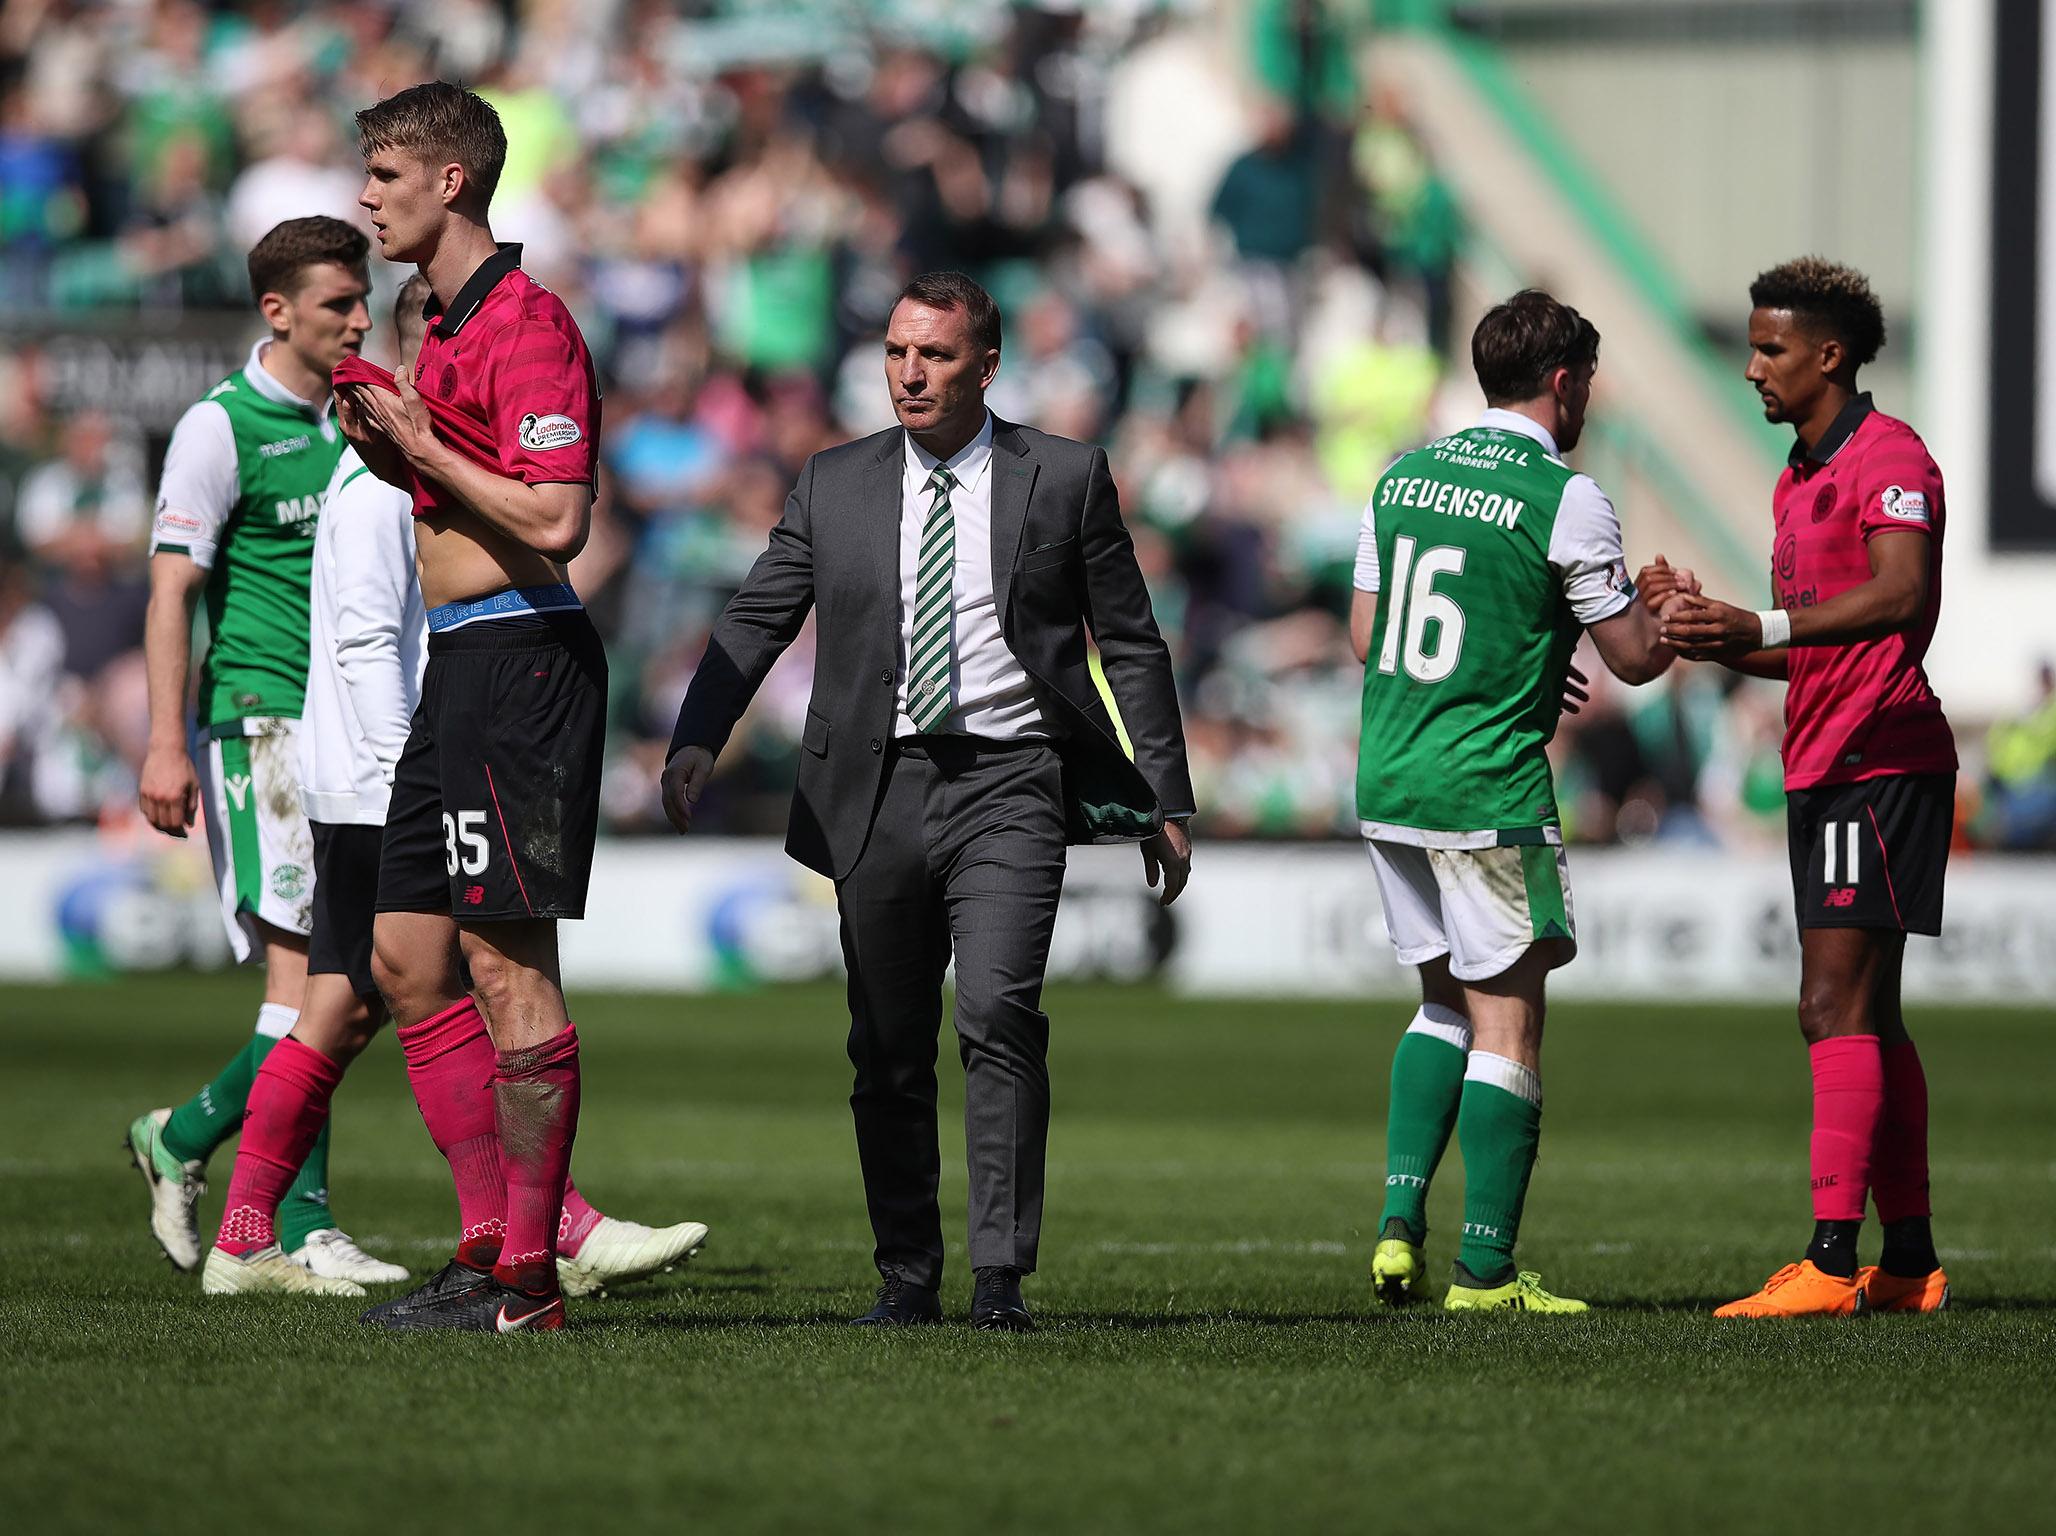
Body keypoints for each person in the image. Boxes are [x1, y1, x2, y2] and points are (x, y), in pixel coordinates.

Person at [664, 271, 1194, 1331]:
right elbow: (755, 619)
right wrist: (695, 737)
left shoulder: (1064, 476)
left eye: (936, 355)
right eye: (898, 352)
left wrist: (1165, 793)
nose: (911, 372)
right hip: (877, 785)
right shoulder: (833, 482)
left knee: (998, 1013)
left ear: (985, 365)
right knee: (887, 1044)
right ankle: (906, 1274)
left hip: (1014, 780)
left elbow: (1128, 639)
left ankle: (998, 1277)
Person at [203, 276, 708, 1298]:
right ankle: (533, 1229)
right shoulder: (375, 493)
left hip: (380, 774)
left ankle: (272, 1227)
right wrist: (412, 782)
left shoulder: (400, 480)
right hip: (373, 782)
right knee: (371, 998)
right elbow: (361, 643)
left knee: (365, 997)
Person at [333, 82, 606, 1333]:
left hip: (521, 660)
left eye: (383, 176)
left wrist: (422, 451)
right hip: (460, 658)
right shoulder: (437, 326)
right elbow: (459, 490)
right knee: (405, 959)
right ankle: (485, 1247)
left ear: (450, 181)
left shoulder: (529, 325)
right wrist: (396, 445)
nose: (365, 199)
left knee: (507, 968)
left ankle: (528, 1286)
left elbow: (555, 519)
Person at [1352, 289, 1677, 1314]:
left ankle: (1398, 1228)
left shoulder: (1402, 475)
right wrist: (1665, 611)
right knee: (1510, 1028)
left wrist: (1528, 657)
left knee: (1439, 1002)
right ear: (1564, 381)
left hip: (1388, 774)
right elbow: (1631, 660)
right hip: (1483, 783)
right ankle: (1485, 1272)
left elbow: (1369, 638)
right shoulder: (1564, 493)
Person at [1653, 258, 1955, 1318]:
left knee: (1829, 1005)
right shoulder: (1796, 474)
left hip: (1878, 756)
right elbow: (1810, 647)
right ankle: (1907, 1262)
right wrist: (1713, 634)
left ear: (1829, 355)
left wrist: (1760, 624)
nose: (1750, 368)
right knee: (1871, 1013)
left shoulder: (1890, 458)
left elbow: (1902, 595)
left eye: (1768, 348)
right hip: (1827, 752)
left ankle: (1830, 1261)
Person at [125, 215, 408, 1287]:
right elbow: (170, 591)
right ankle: (300, 1231)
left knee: (371, 983)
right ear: (277, 310)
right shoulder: (220, 426)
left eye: (363, 299)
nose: (357, 319)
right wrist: (163, 744)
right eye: (337, 302)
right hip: (262, 725)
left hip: (354, 726)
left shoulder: (364, 411)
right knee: (313, 983)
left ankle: (186, 1138)